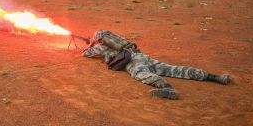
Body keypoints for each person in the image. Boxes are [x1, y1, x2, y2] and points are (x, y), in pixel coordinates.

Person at [83, 30, 231, 99]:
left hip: (132, 61)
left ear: (99, 39)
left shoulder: (101, 46)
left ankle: (167, 89)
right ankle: (215, 77)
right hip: (141, 55)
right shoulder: (118, 40)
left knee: (139, 74)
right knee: (173, 69)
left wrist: (90, 44)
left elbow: (86, 54)